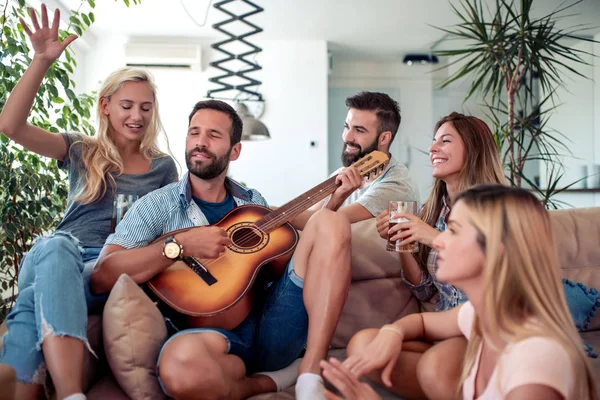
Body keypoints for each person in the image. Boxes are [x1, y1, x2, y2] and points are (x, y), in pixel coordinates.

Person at [90, 99, 364, 400]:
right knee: (178, 371)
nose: (200, 142)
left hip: (274, 324)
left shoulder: (252, 204)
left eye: (213, 135)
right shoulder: (156, 205)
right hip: (207, 336)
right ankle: (274, 380)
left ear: (235, 150)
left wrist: (335, 200)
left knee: (332, 221)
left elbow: (316, 238)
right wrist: (179, 246)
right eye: (194, 133)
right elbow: (103, 275)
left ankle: (310, 374)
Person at [0, 5, 177, 400]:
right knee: (57, 246)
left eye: (145, 108)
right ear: (106, 106)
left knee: (29, 305)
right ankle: (70, 394)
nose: (137, 115)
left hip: (111, 266)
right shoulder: (81, 149)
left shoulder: (163, 168)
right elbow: (10, 126)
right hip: (59, 253)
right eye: (127, 105)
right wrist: (41, 62)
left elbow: (170, 227)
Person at [322, 184, 598, 400]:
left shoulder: (535, 362)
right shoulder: (479, 315)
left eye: (453, 231)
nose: (438, 240)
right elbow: (422, 321)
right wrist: (392, 333)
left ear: (494, 252)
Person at [351, 112, 507, 399]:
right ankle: (453, 384)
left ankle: (450, 379)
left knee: (433, 367)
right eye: (433, 142)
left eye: (444, 141)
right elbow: (424, 292)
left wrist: (432, 237)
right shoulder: (434, 211)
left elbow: (504, 274)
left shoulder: (501, 207)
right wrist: (404, 242)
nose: (432, 149)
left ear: (473, 149)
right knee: (362, 344)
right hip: (445, 327)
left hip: (483, 330)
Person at [293, 91, 418, 230]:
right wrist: (269, 211)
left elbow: (321, 226)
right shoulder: (344, 172)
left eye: (359, 130)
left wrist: (337, 199)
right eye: (347, 127)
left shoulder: (396, 185)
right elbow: (310, 216)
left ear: (384, 138)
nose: (347, 137)